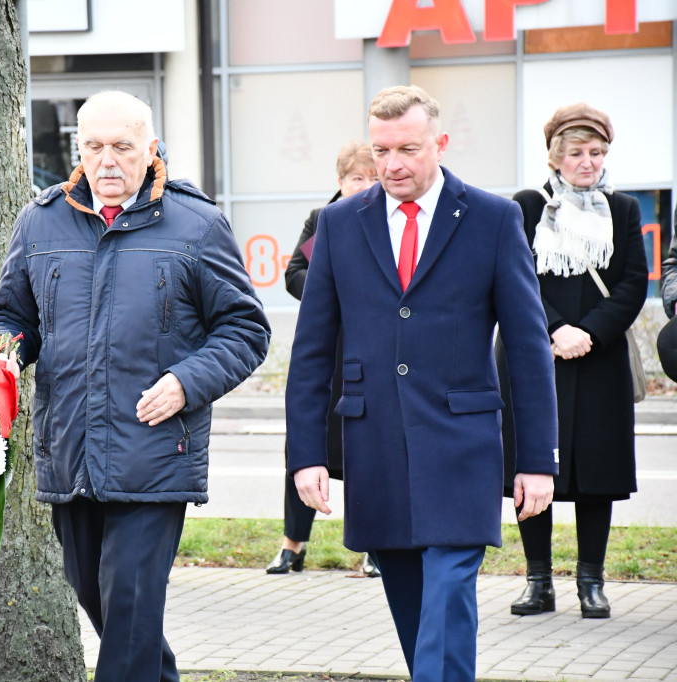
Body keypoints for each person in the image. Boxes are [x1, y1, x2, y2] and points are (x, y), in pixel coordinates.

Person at [0, 90, 270, 682]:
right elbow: (9, 314)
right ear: (77, 148)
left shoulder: (197, 224)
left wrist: (187, 383)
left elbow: (246, 329)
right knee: (102, 601)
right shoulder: (41, 219)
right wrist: (1, 353)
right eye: (93, 147)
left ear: (151, 148)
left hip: (156, 451)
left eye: (122, 147)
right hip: (71, 449)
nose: (107, 160)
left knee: (132, 607)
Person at [285, 85, 558, 682]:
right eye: (381, 151)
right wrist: (305, 456)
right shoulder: (337, 224)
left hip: (463, 442)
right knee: (413, 607)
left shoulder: (493, 218)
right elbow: (309, 354)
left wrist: (537, 458)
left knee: (449, 590)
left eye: (408, 148)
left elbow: (529, 345)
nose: (392, 165)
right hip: (374, 442)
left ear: (441, 143)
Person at [502, 103, 647, 619]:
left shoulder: (625, 209)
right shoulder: (524, 205)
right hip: (535, 353)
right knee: (532, 466)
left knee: (596, 471)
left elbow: (633, 282)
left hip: (598, 356)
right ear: (555, 157)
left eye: (597, 152)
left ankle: (591, 582)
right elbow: (515, 277)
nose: (588, 162)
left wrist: (589, 332)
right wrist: (555, 328)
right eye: (577, 153)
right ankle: (537, 580)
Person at [269, 141, 379, 577]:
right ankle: (292, 544)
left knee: (370, 451)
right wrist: (334, 290)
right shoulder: (323, 220)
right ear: (340, 182)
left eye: (372, 177)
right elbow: (294, 274)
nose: (365, 185)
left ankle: (374, 547)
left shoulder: (390, 222)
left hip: (371, 352)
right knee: (305, 445)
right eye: (357, 177)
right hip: (326, 350)